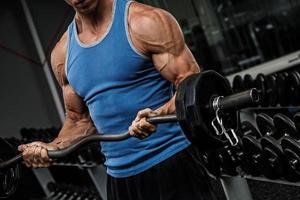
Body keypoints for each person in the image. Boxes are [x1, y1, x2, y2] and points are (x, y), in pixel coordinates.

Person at [18, 0, 216, 199]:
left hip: (173, 161)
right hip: (119, 179)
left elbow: (191, 86)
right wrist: (53, 147)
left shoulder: (144, 22)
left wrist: (156, 116)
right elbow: (79, 121)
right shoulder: (62, 53)